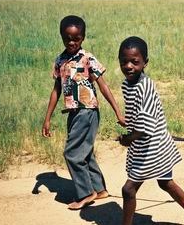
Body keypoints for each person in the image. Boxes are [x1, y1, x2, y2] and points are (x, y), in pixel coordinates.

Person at [105, 36, 184, 225]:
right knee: (165, 182)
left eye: (135, 61)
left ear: (145, 62)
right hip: (146, 142)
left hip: (152, 145)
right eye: (124, 61)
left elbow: (147, 125)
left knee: (128, 189)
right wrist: (129, 126)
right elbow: (137, 115)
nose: (128, 66)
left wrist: (129, 138)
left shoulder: (145, 86)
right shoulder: (127, 84)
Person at [42, 15, 125, 210]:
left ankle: (86, 193)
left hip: (87, 111)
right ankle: (99, 188)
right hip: (73, 112)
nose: (71, 42)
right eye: (67, 38)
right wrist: (47, 119)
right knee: (84, 152)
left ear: (83, 37)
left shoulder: (88, 59)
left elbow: (103, 87)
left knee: (72, 153)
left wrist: (118, 113)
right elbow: (56, 91)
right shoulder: (60, 60)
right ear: (62, 36)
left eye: (76, 38)